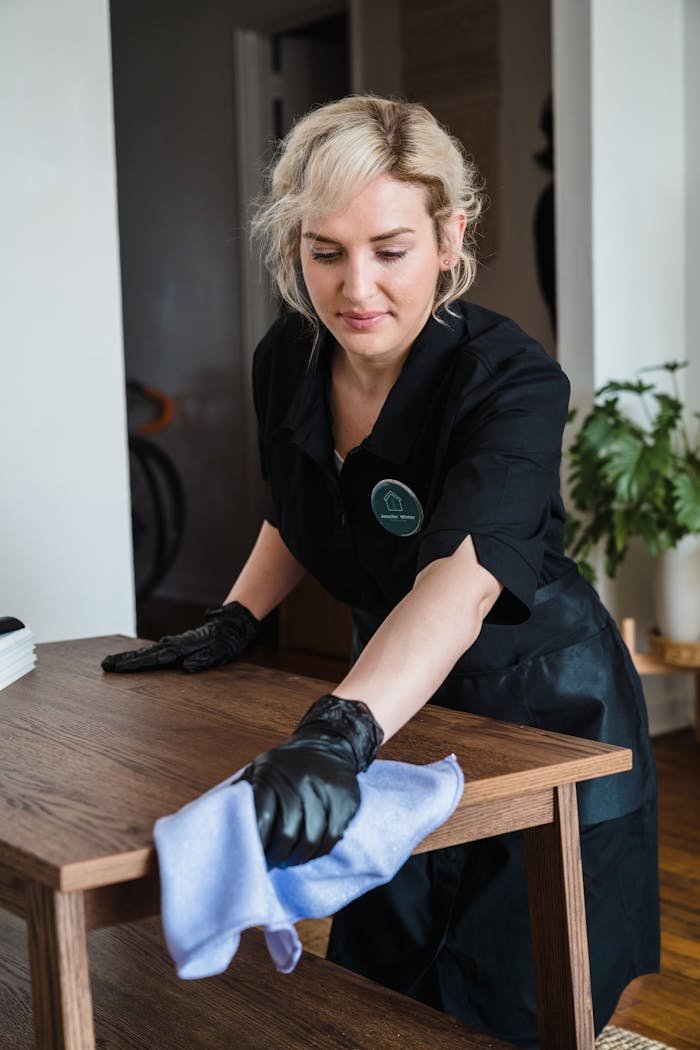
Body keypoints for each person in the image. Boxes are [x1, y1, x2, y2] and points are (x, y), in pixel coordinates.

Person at [102, 96, 659, 1048]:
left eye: (391, 250)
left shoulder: (510, 380)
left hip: (540, 710)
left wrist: (338, 730)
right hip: (398, 711)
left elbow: (466, 575)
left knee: (524, 997)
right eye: (325, 252)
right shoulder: (289, 355)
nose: (356, 288)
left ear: (451, 236)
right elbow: (306, 500)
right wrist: (237, 616)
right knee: (377, 993)